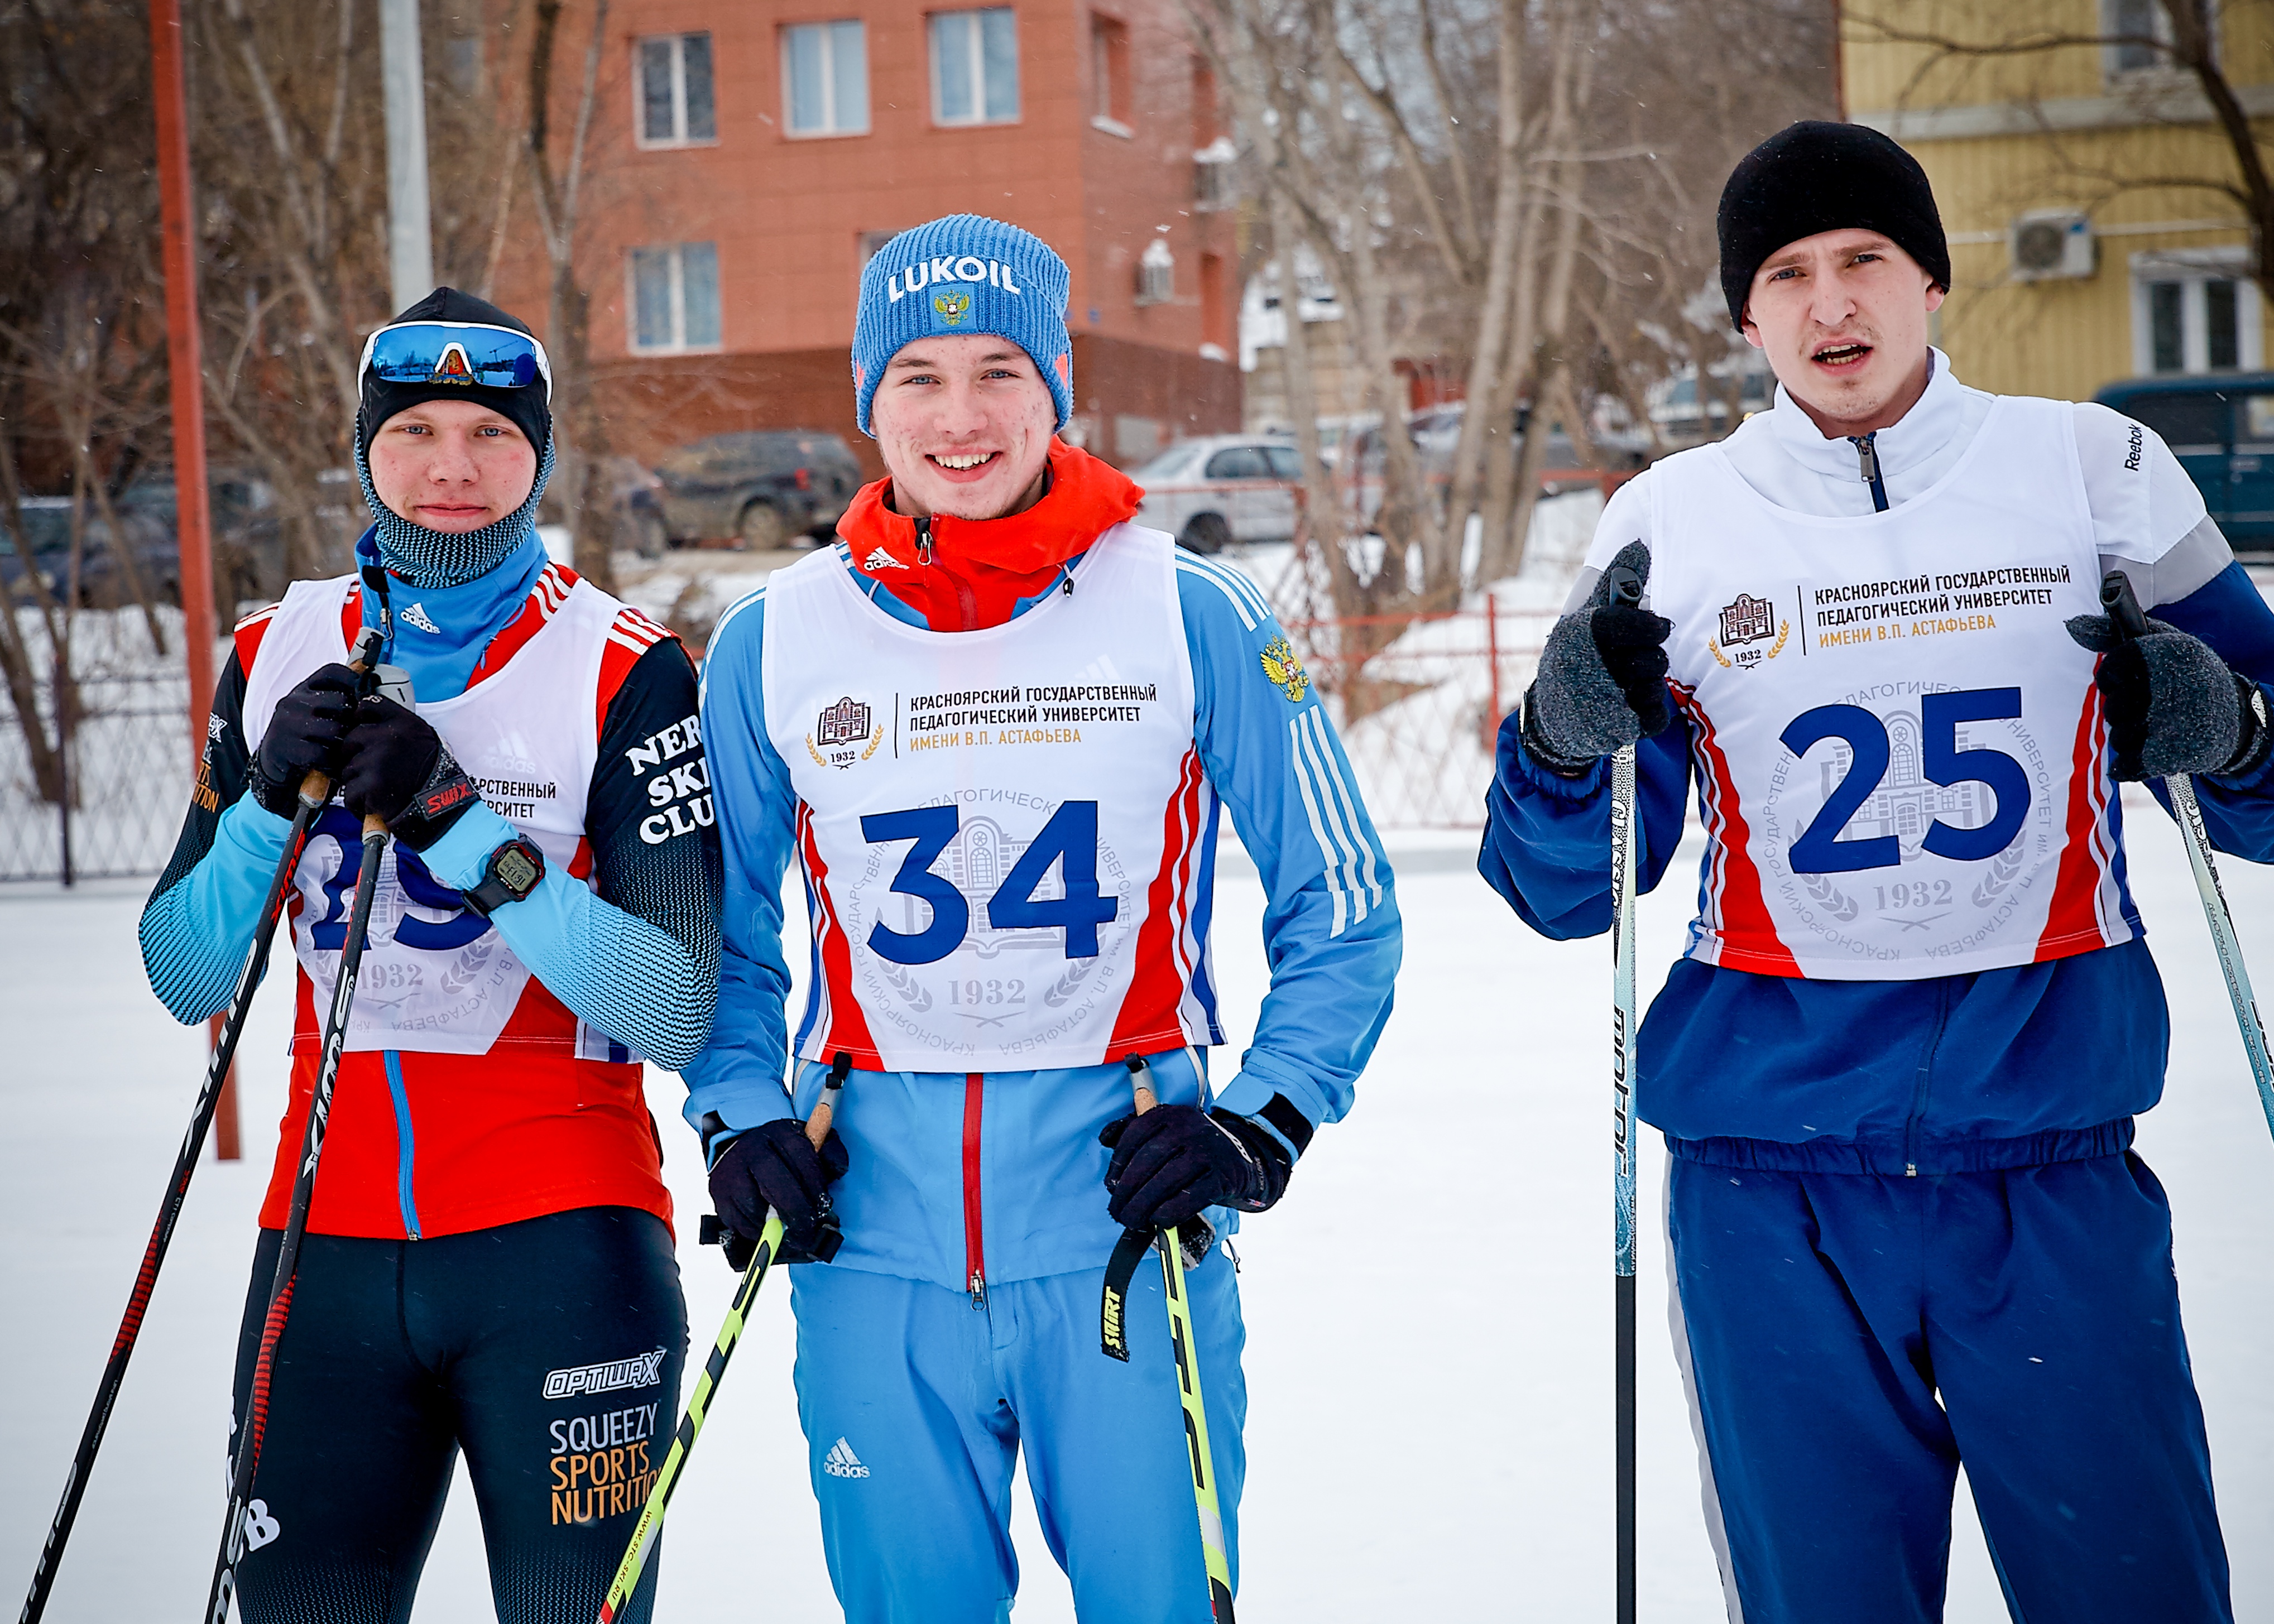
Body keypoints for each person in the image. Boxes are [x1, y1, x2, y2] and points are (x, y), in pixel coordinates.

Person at [1480, 122, 2274, 1622]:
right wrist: (1560, 744)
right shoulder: (1666, 522)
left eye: (1864, 261)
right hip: (1770, 1191)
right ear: (1743, 316)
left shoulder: (2091, 469)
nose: (1831, 307)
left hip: (2048, 1170)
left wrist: (2229, 719)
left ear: (1930, 279)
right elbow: (1565, 887)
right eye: (1788, 275)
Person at [685, 214, 1401, 1621]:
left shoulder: (1187, 608)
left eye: (1002, 370)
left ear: (1058, 382)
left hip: (1120, 1237)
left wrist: (1263, 1120)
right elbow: (724, 935)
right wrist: (737, 1114)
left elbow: (1346, 901)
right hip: (868, 1244)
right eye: (921, 378)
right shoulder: (775, 637)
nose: (962, 418)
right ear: (867, 400)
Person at [137, 289, 716, 1624]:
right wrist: (266, 803)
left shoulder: (624, 670)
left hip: (564, 1255)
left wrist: (464, 828)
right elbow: (185, 977)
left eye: (491, 435)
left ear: (542, 454)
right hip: (320, 1257)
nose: (453, 469)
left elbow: (675, 1003)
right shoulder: (273, 652)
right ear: (364, 449)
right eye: (415, 433)